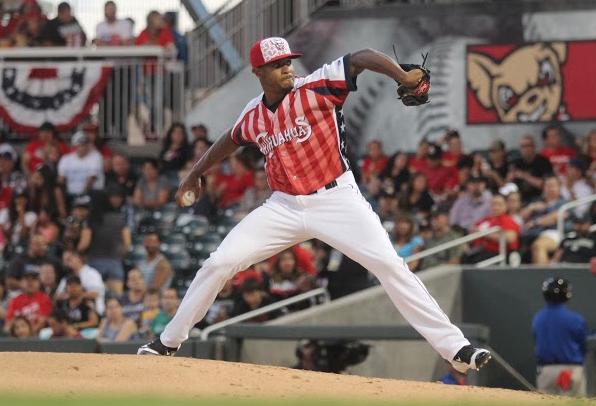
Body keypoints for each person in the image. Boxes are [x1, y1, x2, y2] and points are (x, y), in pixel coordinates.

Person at [138, 37, 491, 374]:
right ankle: (169, 341)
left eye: (288, 61)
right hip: (284, 206)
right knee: (220, 262)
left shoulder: (318, 86)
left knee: (389, 265)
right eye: (277, 65)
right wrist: (195, 173)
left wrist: (401, 75)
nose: (287, 68)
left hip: (336, 198)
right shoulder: (254, 114)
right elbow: (230, 139)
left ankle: (455, 349)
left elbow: (361, 57)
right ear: (258, 72)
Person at [532, 277, 587, 396]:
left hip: (546, 371)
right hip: (571, 370)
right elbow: (583, 347)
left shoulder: (538, 318)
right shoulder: (576, 319)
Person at [463, 194, 520, 264]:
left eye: (499, 204)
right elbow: (472, 231)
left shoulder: (508, 220)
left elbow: (510, 238)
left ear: (505, 206)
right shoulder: (484, 220)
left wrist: (484, 234)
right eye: (493, 204)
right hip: (477, 251)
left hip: (497, 254)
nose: (495, 207)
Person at [57, 132, 105, 199]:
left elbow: (91, 179)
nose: (83, 147)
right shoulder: (66, 159)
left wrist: (81, 196)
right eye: (80, 145)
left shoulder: (96, 156)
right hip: (70, 195)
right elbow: (61, 179)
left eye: (85, 144)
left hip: (90, 193)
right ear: (74, 146)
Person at [3, 269, 52, 334]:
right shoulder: (15, 300)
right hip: (17, 337)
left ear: (39, 283)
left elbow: (42, 321)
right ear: (21, 282)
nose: (30, 282)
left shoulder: (44, 299)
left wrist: (28, 334)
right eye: (27, 279)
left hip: (37, 338)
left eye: (34, 279)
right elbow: (8, 323)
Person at [57, 250, 105, 315]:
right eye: (65, 260)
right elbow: (57, 296)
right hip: (71, 313)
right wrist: (71, 295)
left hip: (93, 310)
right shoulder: (66, 277)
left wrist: (75, 295)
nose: (67, 262)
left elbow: (96, 294)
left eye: (69, 259)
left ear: (78, 258)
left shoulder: (91, 273)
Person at [507, 135, 553, 204]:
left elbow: (544, 185)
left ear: (533, 147)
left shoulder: (543, 162)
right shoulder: (516, 163)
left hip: (539, 197)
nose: (525, 149)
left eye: (527, 146)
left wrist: (524, 176)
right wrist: (509, 178)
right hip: (520, 198)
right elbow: (507, 185)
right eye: (522, 146)